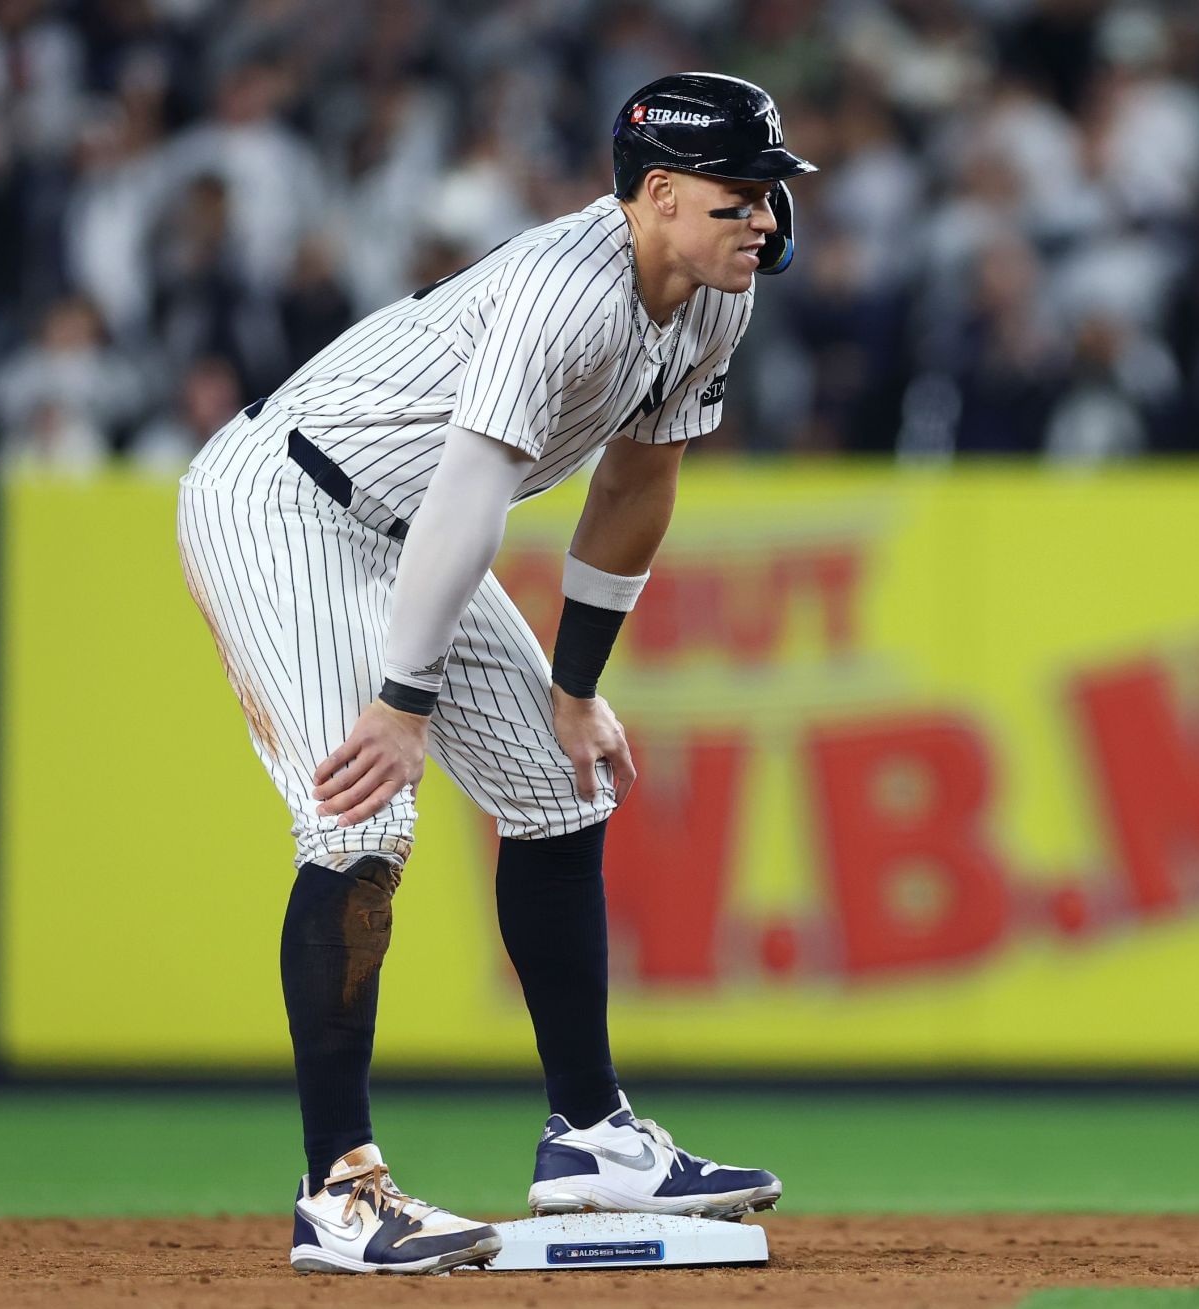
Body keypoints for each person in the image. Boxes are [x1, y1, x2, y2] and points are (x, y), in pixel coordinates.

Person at [176, 72, 813, 1274]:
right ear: (660, 193)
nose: (767, 219)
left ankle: (590, 1137)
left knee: (560, 786)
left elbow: (637, 485)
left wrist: (573, 690)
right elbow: (470, 495)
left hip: (412, 529)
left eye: (773, 194)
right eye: (741, 195)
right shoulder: (560, 294)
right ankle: (340, 1191)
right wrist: (401, 700)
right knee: (361, 818)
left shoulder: (711, 298)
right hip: (290, 505)